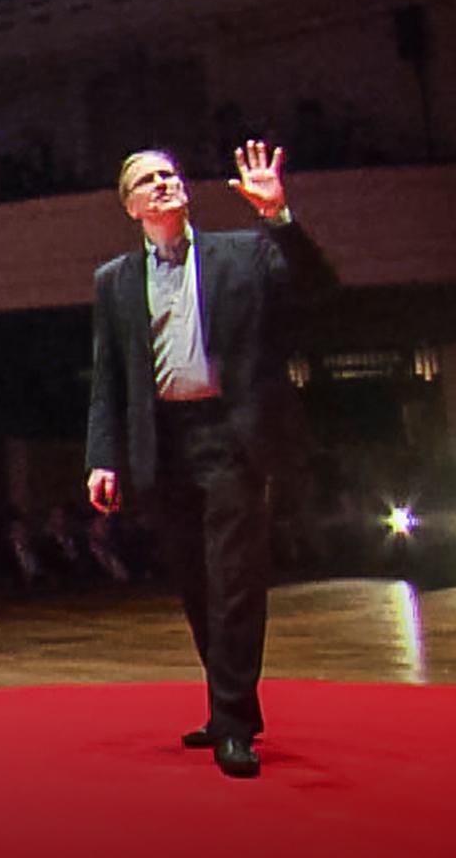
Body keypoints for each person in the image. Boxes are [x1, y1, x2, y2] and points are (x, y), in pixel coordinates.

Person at [84, 141, 335, 779]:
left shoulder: (244, 253)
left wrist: (278, 216)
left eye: (170, 173)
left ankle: (234, 723)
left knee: (234, 583)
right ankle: (224, 704)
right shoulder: (113, 280)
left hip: (230, 435)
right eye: (148, 179)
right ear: (131, 206)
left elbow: (319, 289)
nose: (164, 183)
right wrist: (102, 457)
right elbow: (109, 377)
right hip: (163, 441)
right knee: (196, 584)